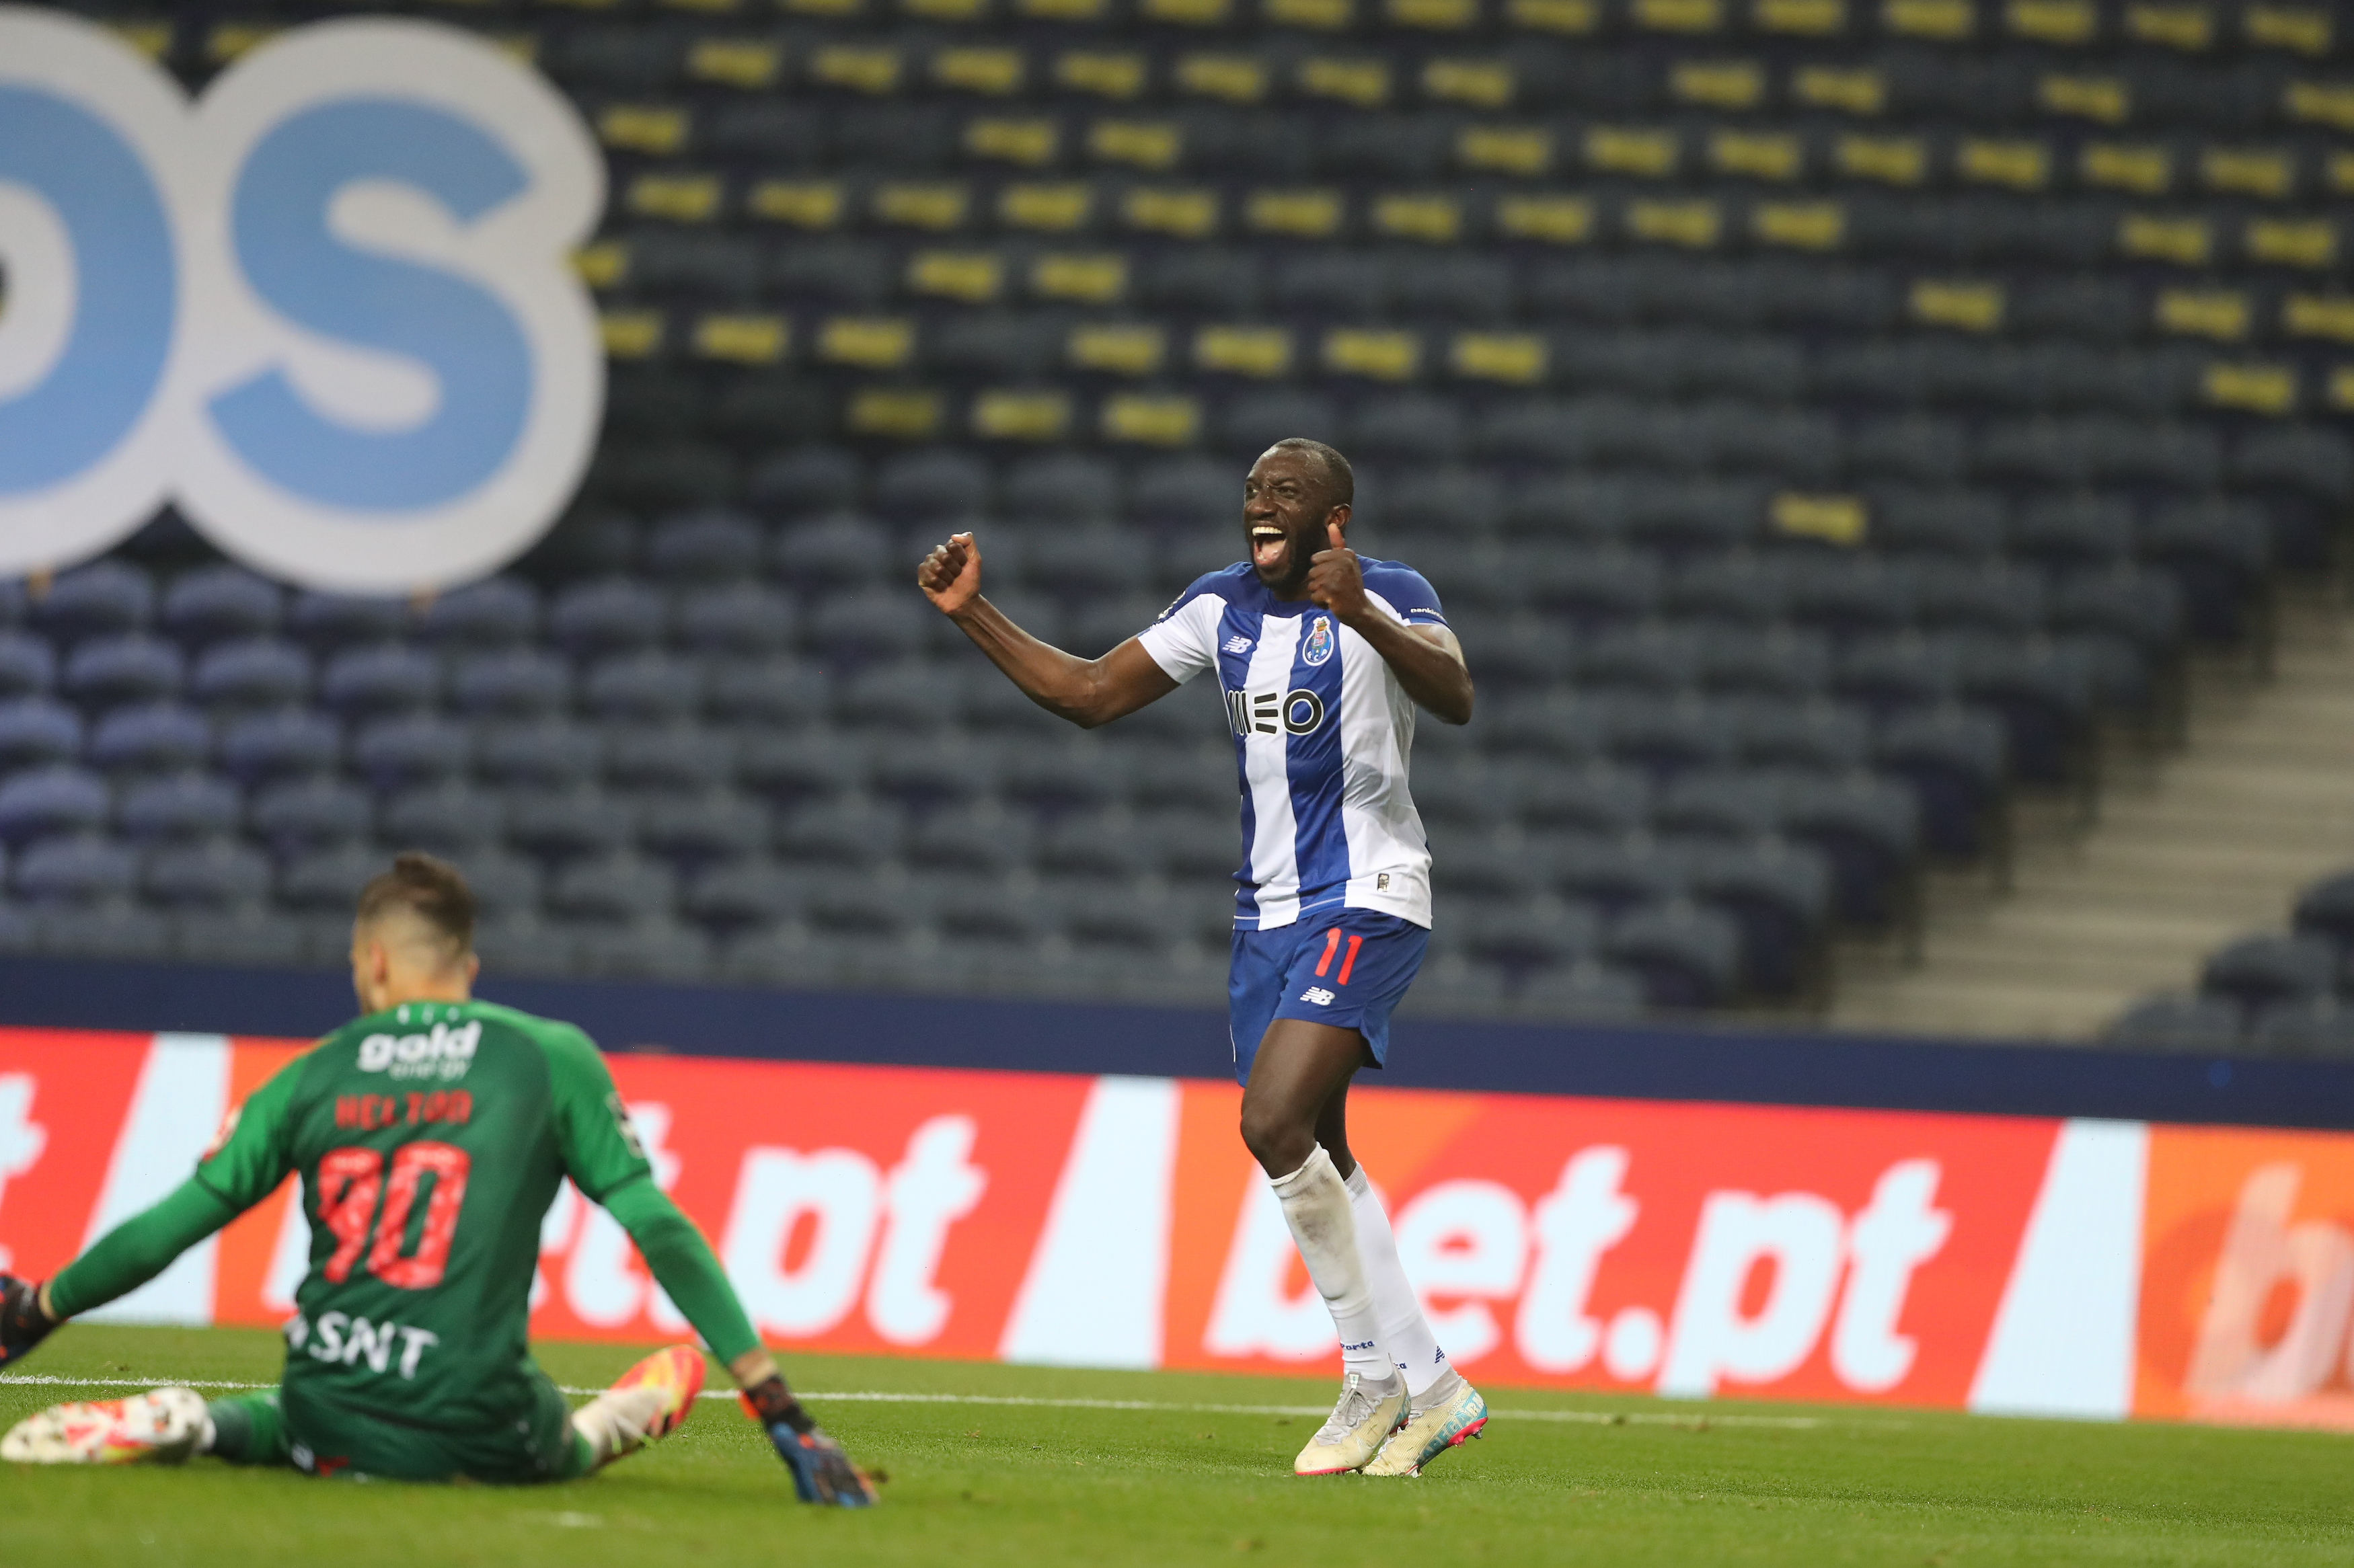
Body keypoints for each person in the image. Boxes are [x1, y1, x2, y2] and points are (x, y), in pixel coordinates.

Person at [916, 437, 1486, 1477]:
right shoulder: (1217, 608)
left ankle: (1368, 1380)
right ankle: (1436, 1388)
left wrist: (1359, 611)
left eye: (1288, 492)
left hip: (1371, 892)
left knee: (1269, 1121)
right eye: (1255, 490)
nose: (1262, 504)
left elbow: (1455, 696)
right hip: (1264, 917)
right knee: (1323, 1152)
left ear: (1335, 519)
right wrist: (973, 617)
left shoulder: (1391, 590)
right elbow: (1091, 693)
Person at [0, 853, 874, 1503]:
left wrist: (39, 1308)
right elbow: (659, 1227)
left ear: (375, 962)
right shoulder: (545, 1056)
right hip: (476, 1415)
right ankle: (612, 1422)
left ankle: (209, 1423)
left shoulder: (315, 1070)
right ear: (468, 967)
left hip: (324, 1396)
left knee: (296, 1421)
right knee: (569, 1445)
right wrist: (775, 1402)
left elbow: (174, 1225)